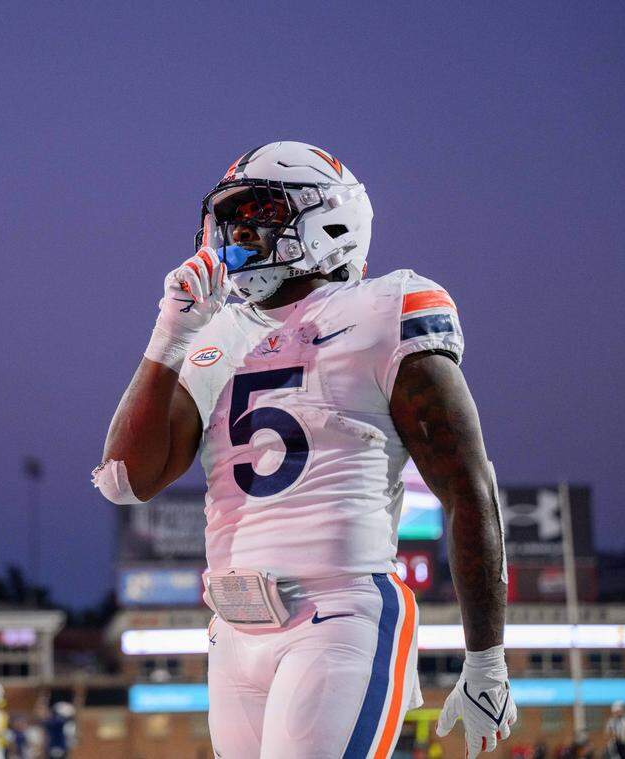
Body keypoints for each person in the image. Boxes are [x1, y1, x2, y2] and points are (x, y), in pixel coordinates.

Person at [95, 141, 517, 758]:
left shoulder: (383, 308)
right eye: (231, 218)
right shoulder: (214, 333)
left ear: (329, 219)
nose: (238, 232)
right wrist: (169, 336)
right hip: (233, 629)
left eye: (258, 212)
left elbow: (467, 487)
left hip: (339, 612)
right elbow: (125, 480)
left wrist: (487, 659)